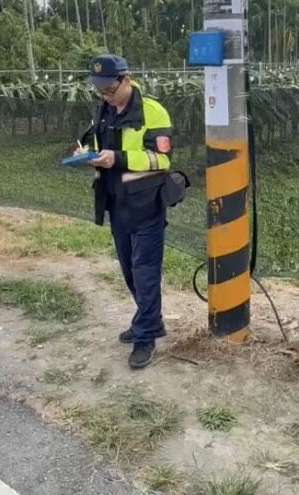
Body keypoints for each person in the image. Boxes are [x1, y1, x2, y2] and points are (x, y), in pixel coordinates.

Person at [78, 55, 174, 370]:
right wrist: (90, 156)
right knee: (130, 272)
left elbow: (161, 160)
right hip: (116, 204)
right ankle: (152, 321)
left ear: (126, 79)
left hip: (146, 205)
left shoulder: (152, 111)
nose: (104, 94)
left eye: (109, 88)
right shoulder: (103, 109)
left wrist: (116, 159)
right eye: (99, 90)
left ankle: (144, 337)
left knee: (145, 273)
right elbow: (99, 143)